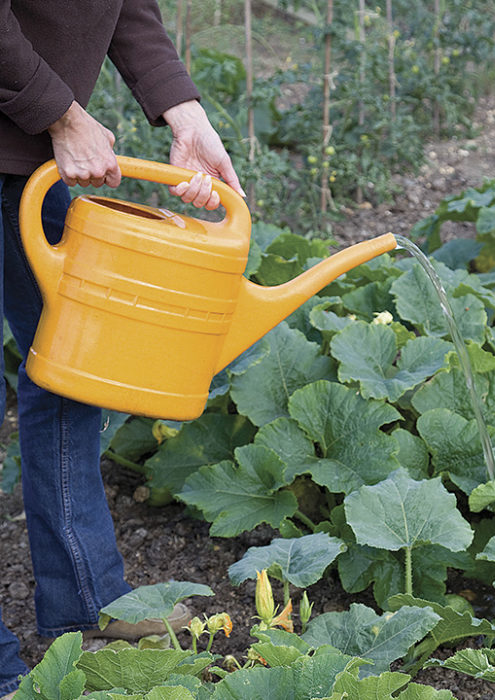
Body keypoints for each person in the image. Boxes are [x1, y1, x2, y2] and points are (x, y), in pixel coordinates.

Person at [0, 2, 245, 697]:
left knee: (69, 371)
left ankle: (89, 600)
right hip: (41, 127)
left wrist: (183, 112)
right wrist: (63, 114)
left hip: (28, 157)